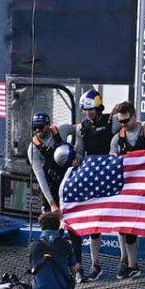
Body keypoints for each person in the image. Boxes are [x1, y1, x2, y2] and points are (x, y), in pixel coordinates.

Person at [109, 101, 145, 279]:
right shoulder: (117, 138)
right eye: (121, 122)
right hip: (128, 189)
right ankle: (132, 264)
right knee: (127, 226)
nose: (123, 125)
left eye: (126, 121)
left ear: (134, 116)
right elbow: (112, 162)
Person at [28, 112, 84, 278]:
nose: (38, 130)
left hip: (69, 186)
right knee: (51, 233)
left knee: (75, 231)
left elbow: (79, 130)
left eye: (41, 127)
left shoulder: (62, 131)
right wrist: (52, 203)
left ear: (48, 125)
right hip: (51, 190)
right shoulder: (34, 148)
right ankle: (52, 268)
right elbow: (40, 177)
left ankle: (77, 268)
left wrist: (78, 155)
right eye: (35, 128)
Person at [73, 89, 121, 282]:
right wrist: (76, 159)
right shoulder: (82, 127)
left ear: (99, 106)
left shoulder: (112, 121)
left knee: (119, 220)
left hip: (113, 175)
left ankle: (125, 261)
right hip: (94, 177)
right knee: (94, 224)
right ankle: (96, 265)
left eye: (91, 109)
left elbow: (130, 127)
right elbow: (79, 151)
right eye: (85, 110)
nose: (88, 113)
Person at [28, 212, 80, 289]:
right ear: (58, 226)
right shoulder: (65, 244)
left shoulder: (33, 246)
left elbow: (32, 269)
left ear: (41, 227)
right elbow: (75, 269)